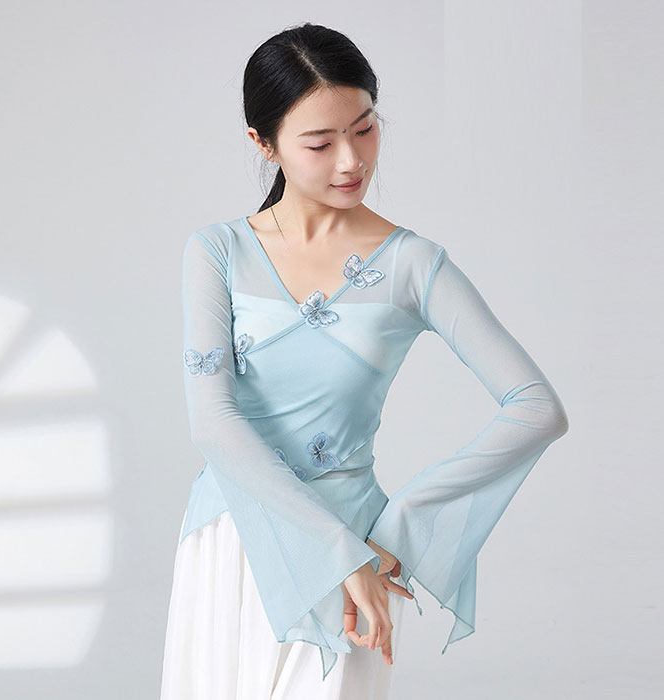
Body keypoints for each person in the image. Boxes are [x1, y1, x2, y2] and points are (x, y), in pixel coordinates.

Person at [159, 22, 569, 700]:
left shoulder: (412, 263)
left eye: (365, 128)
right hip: (231, 540)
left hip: (357, 557)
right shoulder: (217, 251)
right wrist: (335, 550)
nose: (352, 160)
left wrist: (395, 532)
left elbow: (538, 409)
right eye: (321, 143)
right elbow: (213, 423)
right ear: (263, 143)